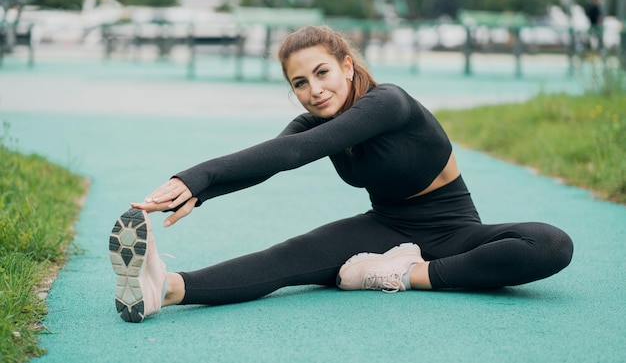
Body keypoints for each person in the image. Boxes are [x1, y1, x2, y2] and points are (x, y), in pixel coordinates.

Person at [109, 25, 574, 323]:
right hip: (386, 226)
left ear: (347, 67)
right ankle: (164, 290)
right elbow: (276, 156)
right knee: (289, 257)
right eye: (300, 83)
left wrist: (197, 176)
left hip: (451, 231)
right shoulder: (316, 122)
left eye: (322, 72)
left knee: (550, 244)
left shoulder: (388, 102)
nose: (314, 90)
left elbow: (296, 152)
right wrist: (196, 192)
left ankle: (405, 274)